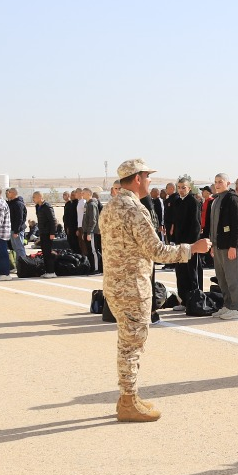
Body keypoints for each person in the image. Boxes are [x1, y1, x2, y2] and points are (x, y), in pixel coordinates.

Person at [98, 159, 210, 422]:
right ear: (137, 178)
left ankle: (129, 396)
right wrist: (193, 248)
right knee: (131, 347)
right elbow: (156, 250)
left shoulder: (110, 206)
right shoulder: (134, 209)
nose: (149, 181)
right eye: (147, 176)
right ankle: (128, 402)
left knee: (126, 343)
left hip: (115, 285)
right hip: (132, 288)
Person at [207, 174, 238, 318]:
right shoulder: (216, 200)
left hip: (228, 246)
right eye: (215, 182)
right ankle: (227, 305)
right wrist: (212, 244)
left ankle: (235, 308)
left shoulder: (232, 199)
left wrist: (233, 246)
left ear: (228, 183)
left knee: (232, 276)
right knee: (221, 277)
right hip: (217, 245)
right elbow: (213, 225)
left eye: (220, 182)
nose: (217, 185)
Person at [165, 177, 203, 303]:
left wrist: (194, 244)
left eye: (183, 188)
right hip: (179, 243)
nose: (181, 190)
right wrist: (173, 240)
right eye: (179, 187)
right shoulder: (177, 202)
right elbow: (174, 223)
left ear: (189, 188)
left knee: (192, 272)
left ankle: (195, 300)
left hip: (190, 243)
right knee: (180, 272)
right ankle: (183, 300)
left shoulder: (193, 202)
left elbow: (196, 224)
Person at [32, 191, 58, 274]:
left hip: (48, 233)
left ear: (39, 197)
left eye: (34, 197)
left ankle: (51, 272)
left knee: (48, 252)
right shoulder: (38, 207)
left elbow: (52, 220)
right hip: (42, 232)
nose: (33, 199)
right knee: (44, 252)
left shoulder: (47, 206)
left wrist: (52, 233)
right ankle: (47, 271)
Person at [6, 187, 29, 267]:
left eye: (9, 192)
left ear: (14, 193)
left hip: (17, 230)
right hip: (12, 229)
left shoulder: (18, 204)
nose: (8, 193)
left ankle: (24, 265)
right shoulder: (11, 203)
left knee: (19, 248)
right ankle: (19, 265)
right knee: (15, 248)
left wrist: (16, 231)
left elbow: (20, 218)